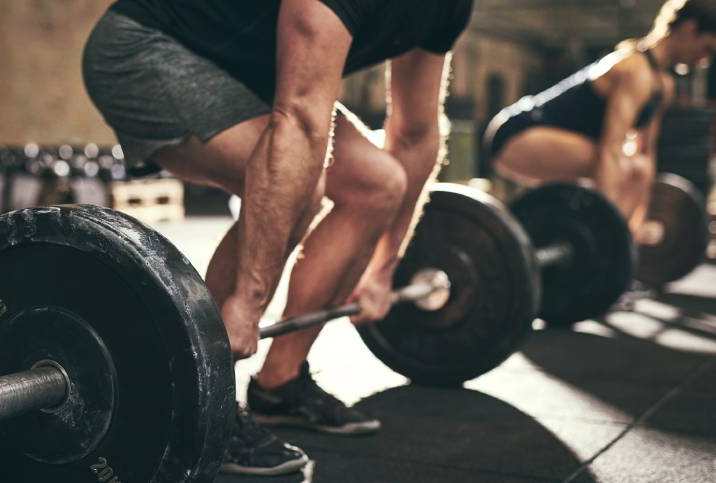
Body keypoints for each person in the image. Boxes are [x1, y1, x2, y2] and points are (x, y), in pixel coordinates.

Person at [83, 0, 473, 476]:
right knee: (300, 185)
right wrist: (247, 303)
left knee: (377, 184)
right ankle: (200, 406)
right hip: (145, 50)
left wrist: (384, 268)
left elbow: (415, 134)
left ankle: (280, 384)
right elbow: (301, 120)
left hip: (248, 72)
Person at [484, 0, 716, 240]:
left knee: (639, 168)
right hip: (515, 135)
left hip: (556, 144)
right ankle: (604, 236)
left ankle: (611, 238)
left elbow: (647, 153)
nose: (704, 61)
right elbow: (611, 151)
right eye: (707, 49)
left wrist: (639, 219)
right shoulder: (635, 70)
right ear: (689, 29)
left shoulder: (662, 85)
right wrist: (608, 225)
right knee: (625, 167)